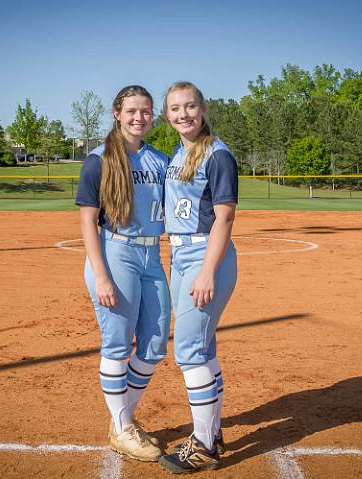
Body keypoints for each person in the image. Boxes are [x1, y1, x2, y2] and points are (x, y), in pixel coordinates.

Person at [75, 85, 170, 462]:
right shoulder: (98, 160)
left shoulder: (160, 160)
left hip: (152, 256)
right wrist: (101, 275)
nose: (139, 118)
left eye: (146, 111)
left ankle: (121, 419)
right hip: (116, 253)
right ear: (117, 112)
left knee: (157, 341)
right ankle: (122, 424)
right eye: (132, 111)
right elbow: (86, 222)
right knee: (118, 344)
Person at [157, 81, 238, 473]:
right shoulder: (179, 150)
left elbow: (224, 217)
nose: (182, 114)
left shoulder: (218, 155)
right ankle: (214, 429)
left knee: (189, 350)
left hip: (205, 256)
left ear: (203, 109)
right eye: (174, 108)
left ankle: (204, 444)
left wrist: (207, 270)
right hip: (181, 254)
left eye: (189, 106)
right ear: (167, 114)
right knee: (203, 347)